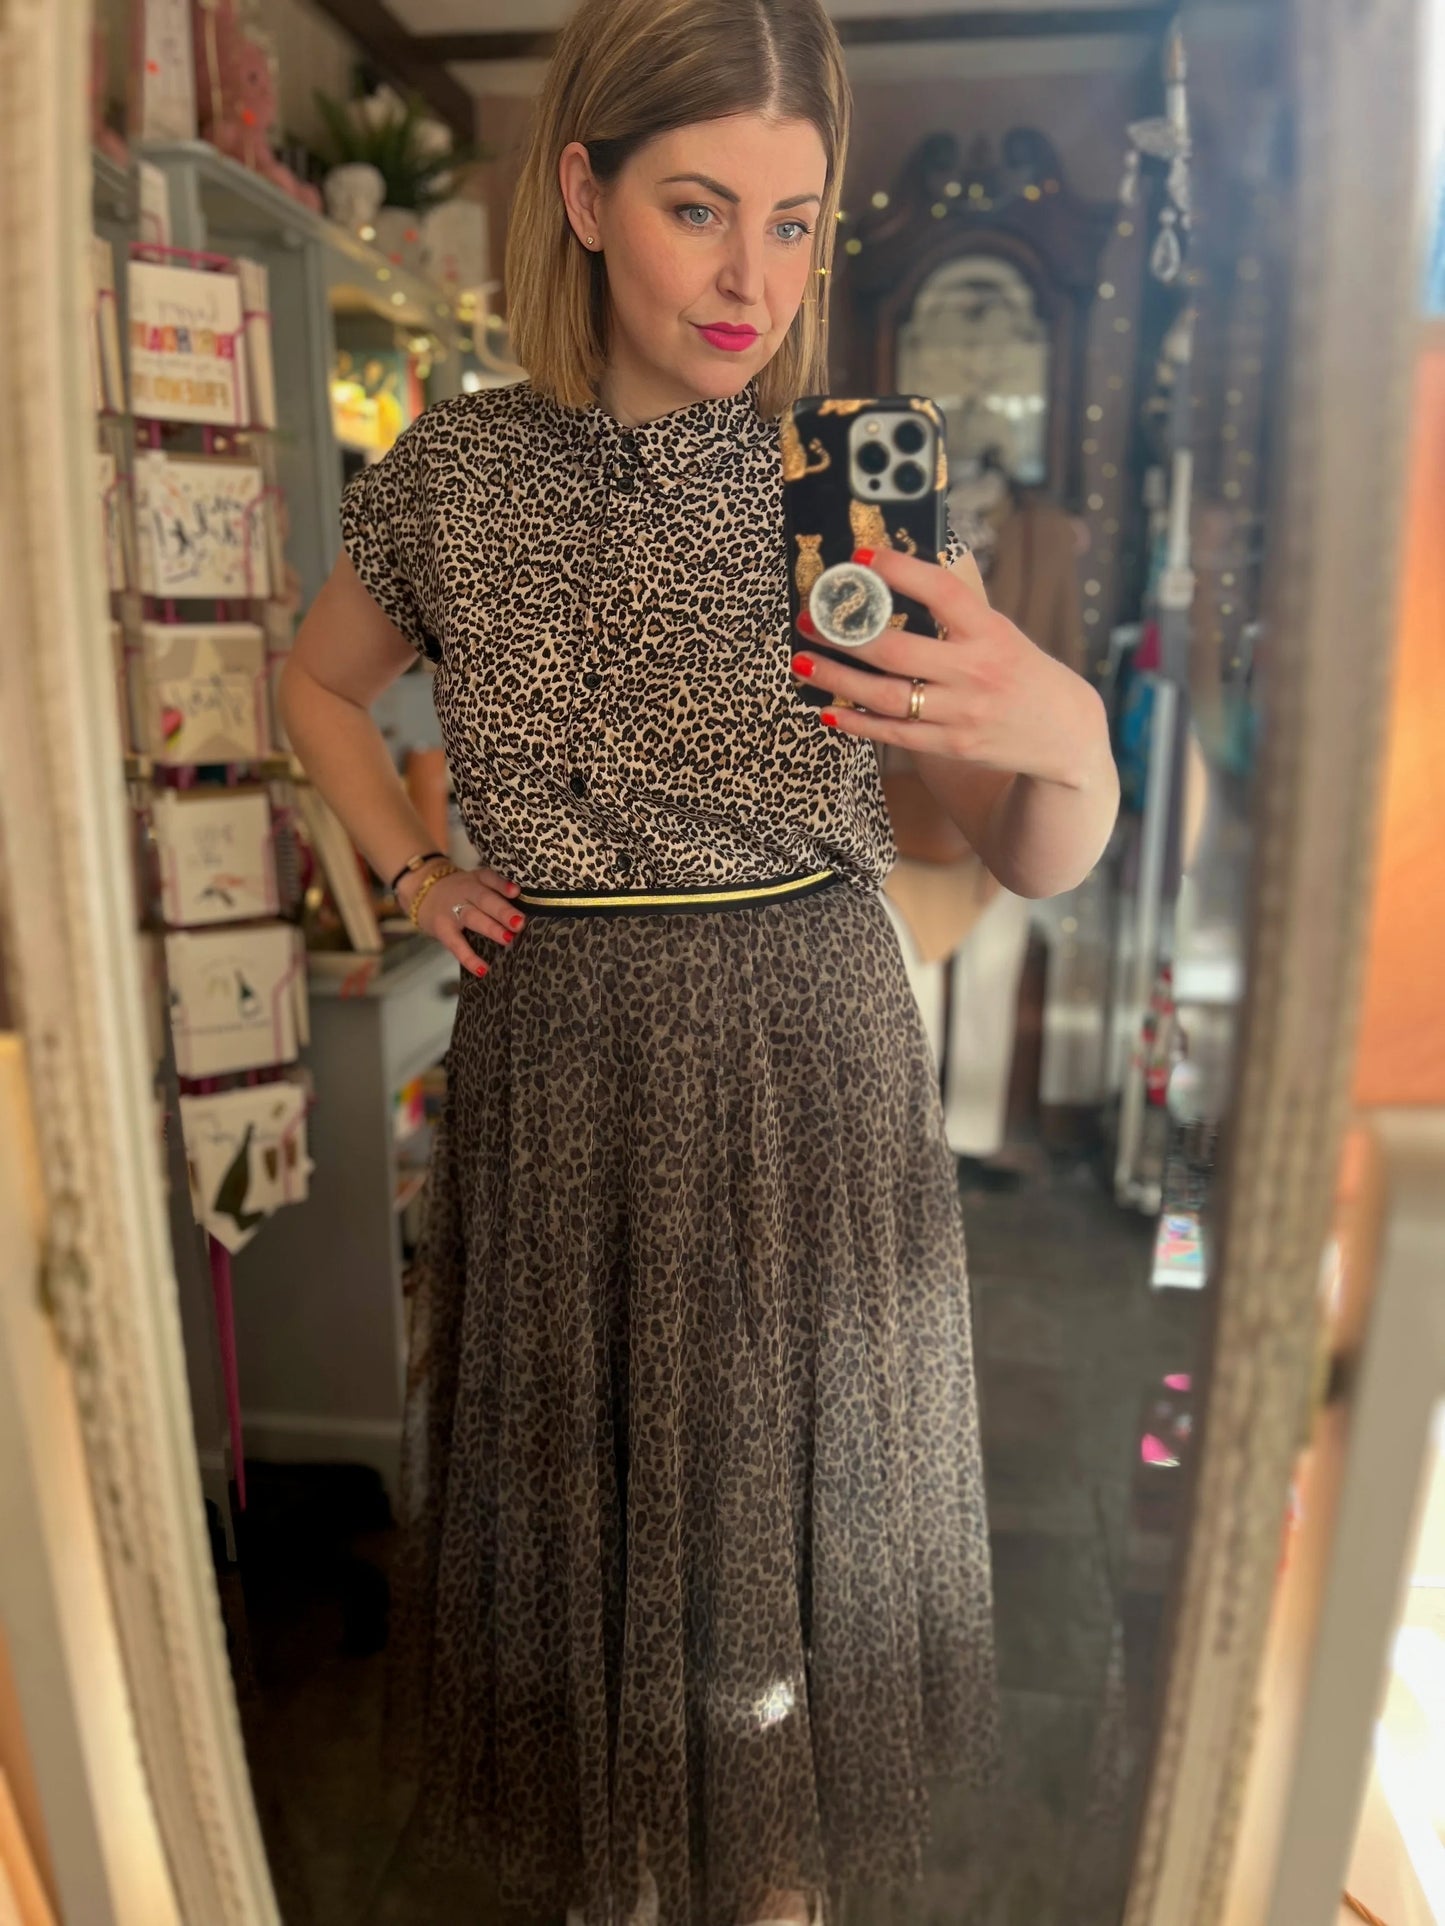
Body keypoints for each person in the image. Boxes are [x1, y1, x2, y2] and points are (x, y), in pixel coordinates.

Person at [279, 2, 1118, 1920]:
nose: (755, 278)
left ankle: (766, 1889)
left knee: (781, 1564)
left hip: (805, 1050)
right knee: (590, 1538)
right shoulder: (449, 478)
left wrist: (1067, 737)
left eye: (797, 221)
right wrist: (414, 865)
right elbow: (316, 691)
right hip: (562, 1044)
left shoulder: (842, 490)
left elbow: (1017, 852)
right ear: (580, 191)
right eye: (697, 208)